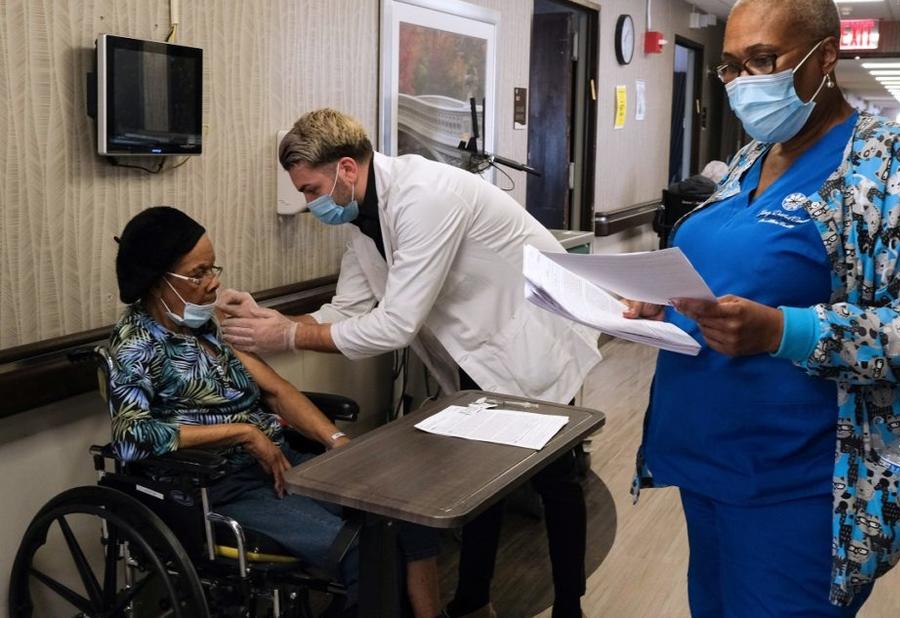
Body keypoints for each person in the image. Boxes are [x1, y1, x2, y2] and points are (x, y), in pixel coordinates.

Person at [625, 0, 900, 617]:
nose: (744, 81)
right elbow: (732, 277)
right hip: (706, 464)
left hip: (798, 489)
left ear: (825, 56)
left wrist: (786, 332)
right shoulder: (750, 158)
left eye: (764, 60)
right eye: (731, 67)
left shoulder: (893, 164)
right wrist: (662, 301)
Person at [218, 108, 602, 618]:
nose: (309, 205)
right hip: (475, 349)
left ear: (347, 170)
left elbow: (395, 326)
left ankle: (569, 606)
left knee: (555, 479)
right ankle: (472, 599)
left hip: (527, 341)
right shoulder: (362, 222)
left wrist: (287, 335)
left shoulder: (425, 197)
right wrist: (274, 318)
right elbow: (345, 311)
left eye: (311, 189)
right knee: (477, 480)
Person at [109, 206, 443, 617]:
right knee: (362, 550)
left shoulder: (204, 327)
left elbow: (275, 390)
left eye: (213, 267)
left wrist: (337, 442)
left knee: (403, 514)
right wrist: (245, 434)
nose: (214, 283)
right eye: (199, 274)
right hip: (214, 487)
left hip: (278, 464)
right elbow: (130, 436)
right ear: (158, 281)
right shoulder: (135, 346)